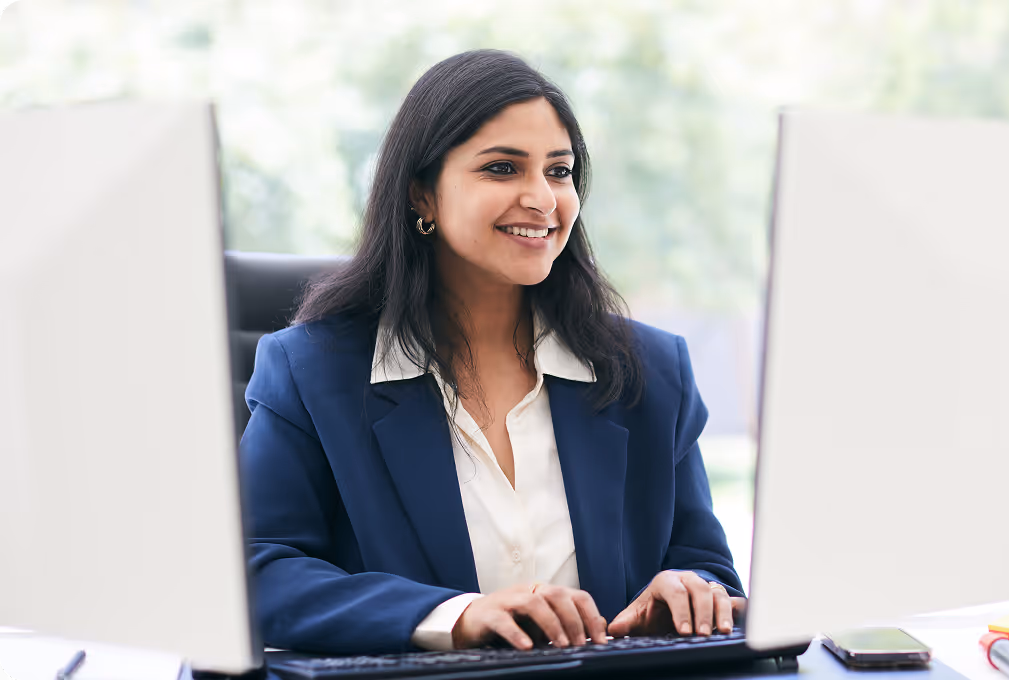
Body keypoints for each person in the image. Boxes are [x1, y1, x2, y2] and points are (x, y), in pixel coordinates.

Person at [240, 49, 744, 655]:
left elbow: (703, 563)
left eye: (559, 171)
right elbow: (254, 571)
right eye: (503, 168)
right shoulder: (311, 372)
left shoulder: (652, 373)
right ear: (421, 195)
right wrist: (456, 616)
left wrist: (692, 590)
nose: (542, 198)